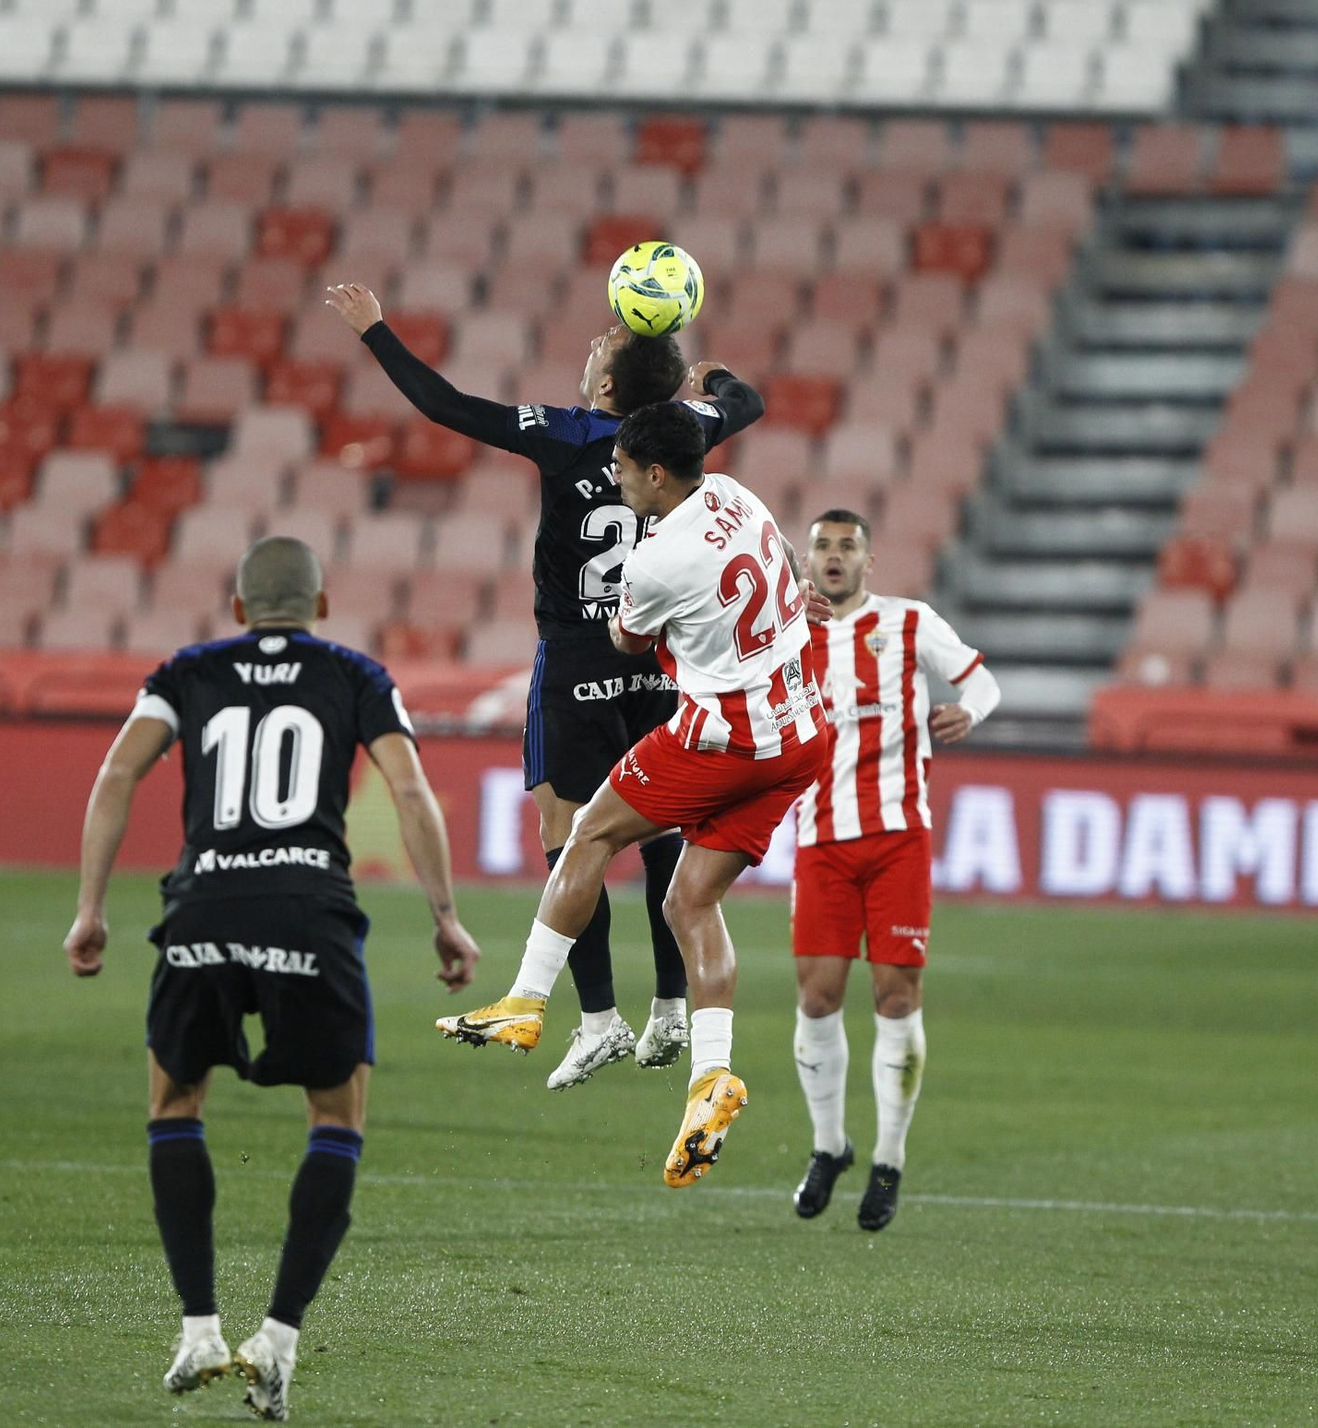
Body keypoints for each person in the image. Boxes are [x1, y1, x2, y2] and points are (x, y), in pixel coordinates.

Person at [61, 536, 480, 1421]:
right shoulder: (354, 674)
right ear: (321, 607)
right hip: (309, 910)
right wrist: (444, 915)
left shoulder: (187, 670)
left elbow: (115, 774)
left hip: (203, 906)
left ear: (239, 608)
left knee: (175, 1106)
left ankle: (198, 1329)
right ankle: (279, 1342)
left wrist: (91, 906)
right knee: (336, 1118)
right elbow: (409, 792)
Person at [326, 281, 766, 1092]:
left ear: (604, 387)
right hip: (665, 660)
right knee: (661, 823)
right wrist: (716, 382)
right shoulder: (689, 428)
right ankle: (671, 1005)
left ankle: (599, 1018)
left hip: (576, 657)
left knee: (570, 835)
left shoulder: (563, 436)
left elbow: (446, 406)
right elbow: (750, 403)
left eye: (601, 346)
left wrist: (376, 332)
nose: (595, 345)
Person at [437, 403, 826, 1188]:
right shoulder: (740, 497)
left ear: (656, 474)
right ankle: (711, 1080)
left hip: (726, 735)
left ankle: (526, 999)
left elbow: (626, 640)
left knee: (588, 833)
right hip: (801, 733)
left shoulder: (653, 560)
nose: (611, 479)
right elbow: (781, 557)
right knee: (689, 903)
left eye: (620, 469)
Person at [789, 510, 1001, 1232]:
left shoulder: (909, 624)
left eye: (848, 546)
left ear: (869, 560)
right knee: (817, 998)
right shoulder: (790, 631)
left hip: (897, 839)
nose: (834, 556)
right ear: (808, 559)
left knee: (895, 999)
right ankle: (828, 1146)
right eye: (823, 545)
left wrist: (968, 712)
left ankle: (888, 1159)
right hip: (819, 839)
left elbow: (983, 682)